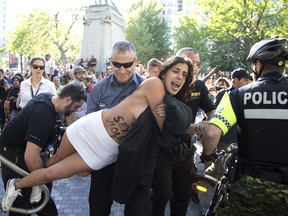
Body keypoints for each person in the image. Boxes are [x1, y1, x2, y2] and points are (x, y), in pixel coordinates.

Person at [1, 56, 194, 214]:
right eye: (176, 71)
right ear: (165, 72)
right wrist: (172, 118)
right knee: (57, 158)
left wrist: (195, 127)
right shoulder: (154, 84)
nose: (180, 77)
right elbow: (166, 129)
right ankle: (24, 185)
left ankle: (24, 183)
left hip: (106, 151)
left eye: (184, 75)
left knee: (54, 173)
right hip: (92, 129)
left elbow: (168, 129)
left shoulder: (169, 102)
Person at [201, 37, 288, 215]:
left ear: (258, 64)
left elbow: (211, 133)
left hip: (250, 187)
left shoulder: (238, 95)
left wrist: (207, 155)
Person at [0, 83, 86, 215]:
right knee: (22, 200)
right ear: (67, 99)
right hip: (15, 152)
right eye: (76, 107)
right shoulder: (43, 116)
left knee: (42, 197)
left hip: (22, 149)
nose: (75, 110)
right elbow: (30, 157)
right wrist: (42, 177)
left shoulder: (48, 98)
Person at [150, 47, 215, 216]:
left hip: (185, 150)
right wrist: (198, 127)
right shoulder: (160, 88)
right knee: (161, 194)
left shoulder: (199, 86)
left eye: (196, 64)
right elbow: (170, 124)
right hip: (161, 149)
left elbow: (211, 110)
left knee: (183, 194)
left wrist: (212, 123)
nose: (193, 67)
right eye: (189, 63)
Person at [87, 40, 145, 216]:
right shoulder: (98, 89)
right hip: (103, 159)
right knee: (98, 207)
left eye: (127, 64)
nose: (122, 70)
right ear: (110, 62)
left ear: (135, 62)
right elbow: (89, 124)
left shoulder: (146, 87)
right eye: (116, 64)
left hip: (134, 160)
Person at [204, 68, 252, 179]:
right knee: (217, 170)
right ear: (235, 79)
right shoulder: (224, 94)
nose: (248, 82)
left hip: (239, 141)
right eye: (245, 80)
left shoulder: (247, 95)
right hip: (224, 139)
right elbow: (214, 114)